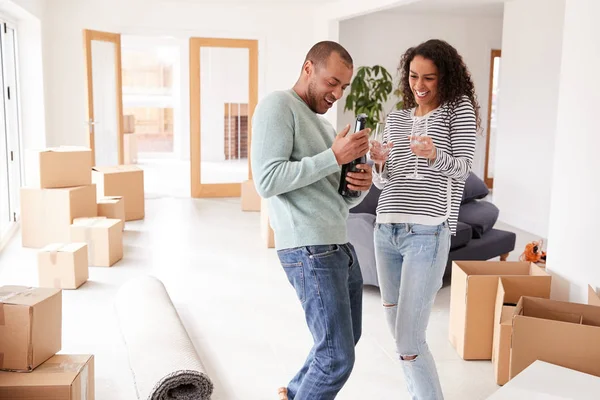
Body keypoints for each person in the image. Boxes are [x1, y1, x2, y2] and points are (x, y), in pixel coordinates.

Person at [251, 41, 373, 400]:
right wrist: (333, 157)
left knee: (344, 341)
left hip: (337, 244)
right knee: (337, 357)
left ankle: (292, 393)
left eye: (344, 87)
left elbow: (335, 197)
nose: (337, 93)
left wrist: (357, 186)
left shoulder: (321, 126)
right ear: (308, 68)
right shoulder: (278, 106)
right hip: (309, 247)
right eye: (332, 81)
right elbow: (267, 180)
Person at [369, 39, 479, 399]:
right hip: (385, 229)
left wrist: (434, 155)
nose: (420, 85)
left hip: (426, 232)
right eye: (414, 76)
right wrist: (380, 162)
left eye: (429, 78)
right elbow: (385, 181)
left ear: (445, 78)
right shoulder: (397, 118)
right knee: (398, 330)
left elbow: (462, 168)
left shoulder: (456, 110)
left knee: (408, 338)